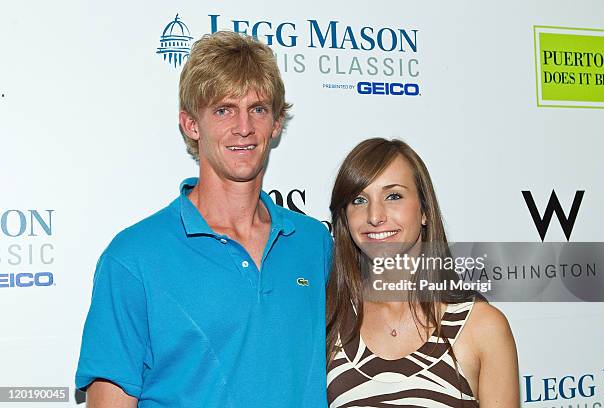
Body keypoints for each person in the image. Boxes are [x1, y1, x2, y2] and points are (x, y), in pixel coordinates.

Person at [75, 31, 332, 407]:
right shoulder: (133, 258)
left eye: (258, 109)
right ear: (191, 124)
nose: (243, 127)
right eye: (224, 109)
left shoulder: (313, 242)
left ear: (276, 123)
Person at [326, 138, 519, 407]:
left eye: (393, 196)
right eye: (359, 199)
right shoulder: (329, 320)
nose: (375, 215)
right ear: (345, 218)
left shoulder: (482, 326)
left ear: (425, 210)